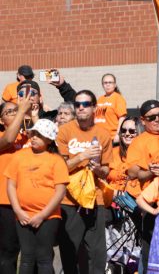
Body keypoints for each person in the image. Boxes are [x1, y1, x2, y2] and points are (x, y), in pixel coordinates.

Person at [56, 90, 113, 274]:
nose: (81, 108)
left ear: (94, 108)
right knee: (69, 252)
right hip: (69, 200)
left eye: (86, 104)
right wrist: (83, 156)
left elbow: (106, 172)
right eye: (78, 104)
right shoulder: (65, 131)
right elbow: (60, 167)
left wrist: (96, 168)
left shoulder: (103, 134)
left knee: (97, 254)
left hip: (95, 199)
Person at [5, 119, 68, 274]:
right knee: (26, 257)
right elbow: (11, 185)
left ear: (49, 139)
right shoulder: (19, 156)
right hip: (23, 215)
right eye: (33, 133)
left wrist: (42, 215)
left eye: (39, 135)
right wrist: (18, 211)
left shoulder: (56, 160)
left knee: (44, 257)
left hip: (48, 217)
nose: (34, 137)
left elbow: (60, 192)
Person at [125, 100, 159, 272]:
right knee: (150, 248)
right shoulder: (139, 142)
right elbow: (133, 172)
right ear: (143, 120)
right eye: (152, 117)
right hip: (151, 201)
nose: (157, 119)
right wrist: (151, 172)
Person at [0, 98, 33, 274]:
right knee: (8, 253)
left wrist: (33, 114)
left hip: (33, 203)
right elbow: (9, 139)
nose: (15, 113)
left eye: (16, 110)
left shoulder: (30, 136)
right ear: (0, 120)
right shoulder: (2, 137)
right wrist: (21, 111)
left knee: (34, 253)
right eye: (10, 112)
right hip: (6, 204)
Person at [94, 73, 127, 143]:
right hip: (99, 137)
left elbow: (122, 118)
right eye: (105, 83)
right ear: (102, 85)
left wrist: (118, 134)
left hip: (112, 137)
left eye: (110, 82)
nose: (108, 85)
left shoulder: (118, 98)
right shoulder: (100, 99)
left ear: (114, 85)